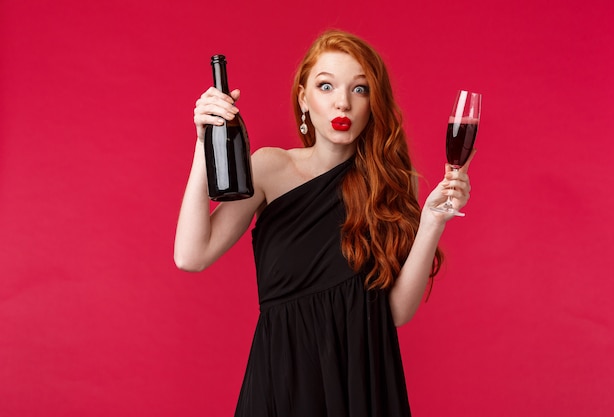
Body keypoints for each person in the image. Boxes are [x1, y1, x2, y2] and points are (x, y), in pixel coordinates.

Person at [174, 29, 473, 417]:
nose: (343, 103)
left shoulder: (389, 188)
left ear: (374, 103)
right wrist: (203, 144)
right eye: (326, 86)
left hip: (362, 384)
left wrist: (433, 221)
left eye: (360, 89)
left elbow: (395, 313)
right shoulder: (269, 168)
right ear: (304, 98)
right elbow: (190, 255)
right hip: (283, 383)